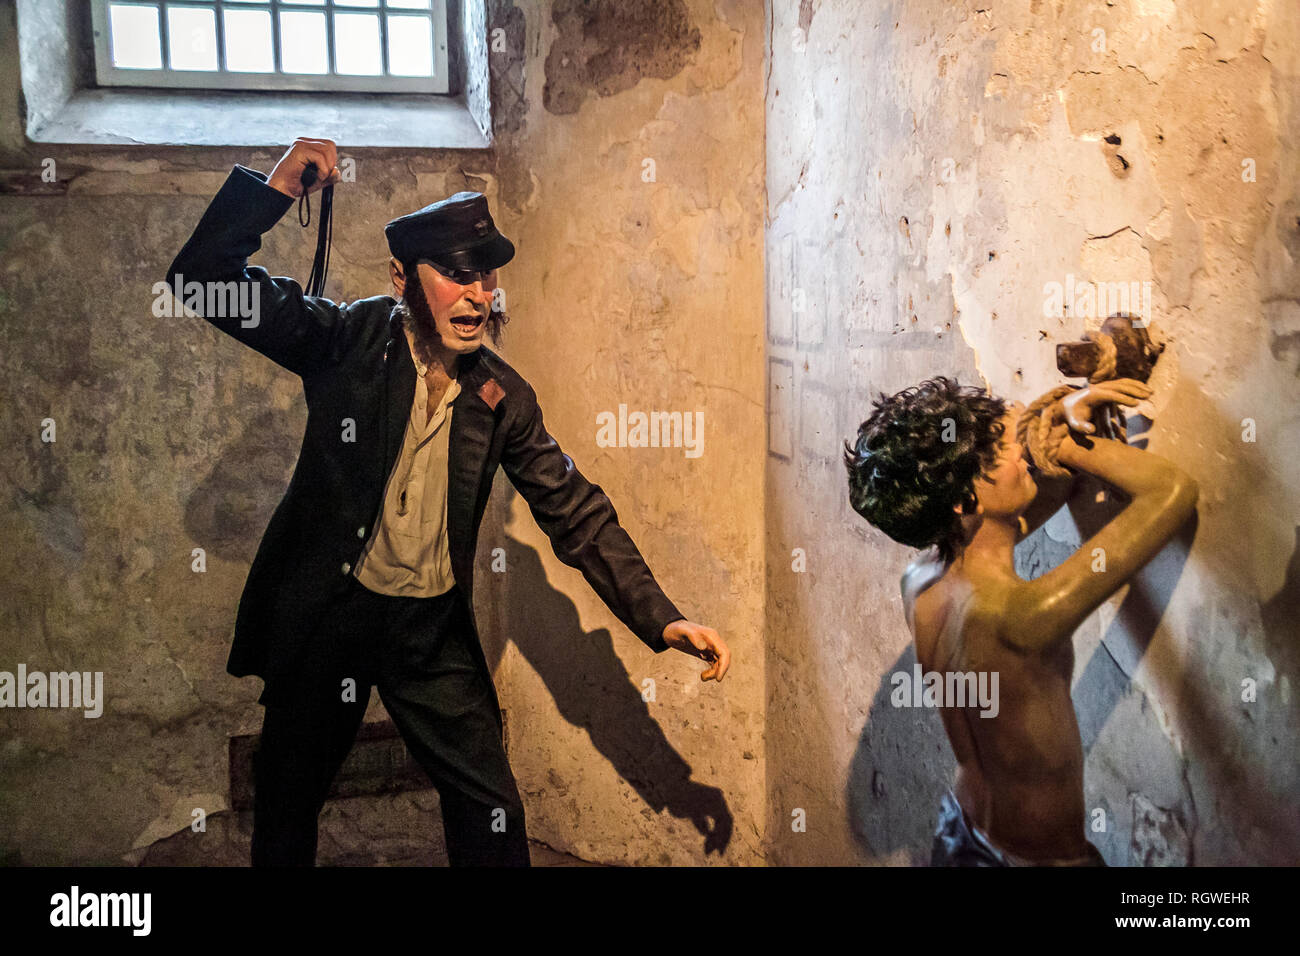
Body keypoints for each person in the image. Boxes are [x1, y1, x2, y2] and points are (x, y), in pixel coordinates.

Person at [164, 136, 730, 866]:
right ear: (403, 275)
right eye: (457, 276)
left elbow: (575, 509)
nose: (477, 296)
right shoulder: (348, 339)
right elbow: (202, 278)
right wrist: (275, 188)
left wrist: (664, 616)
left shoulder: (501, 396)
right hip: (330, 616)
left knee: (490, 809)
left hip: (427, 631)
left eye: (486, 279)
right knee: (286, 800)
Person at [843, 376, 1197, 865]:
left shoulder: (919, 579)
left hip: (961, 834)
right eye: (1001, 454)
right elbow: (1172, 491)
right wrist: (1068, 444)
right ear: (967, 502)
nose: (1020, 455)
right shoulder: (1022, 616)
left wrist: (1037, 426)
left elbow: (1024, 506)